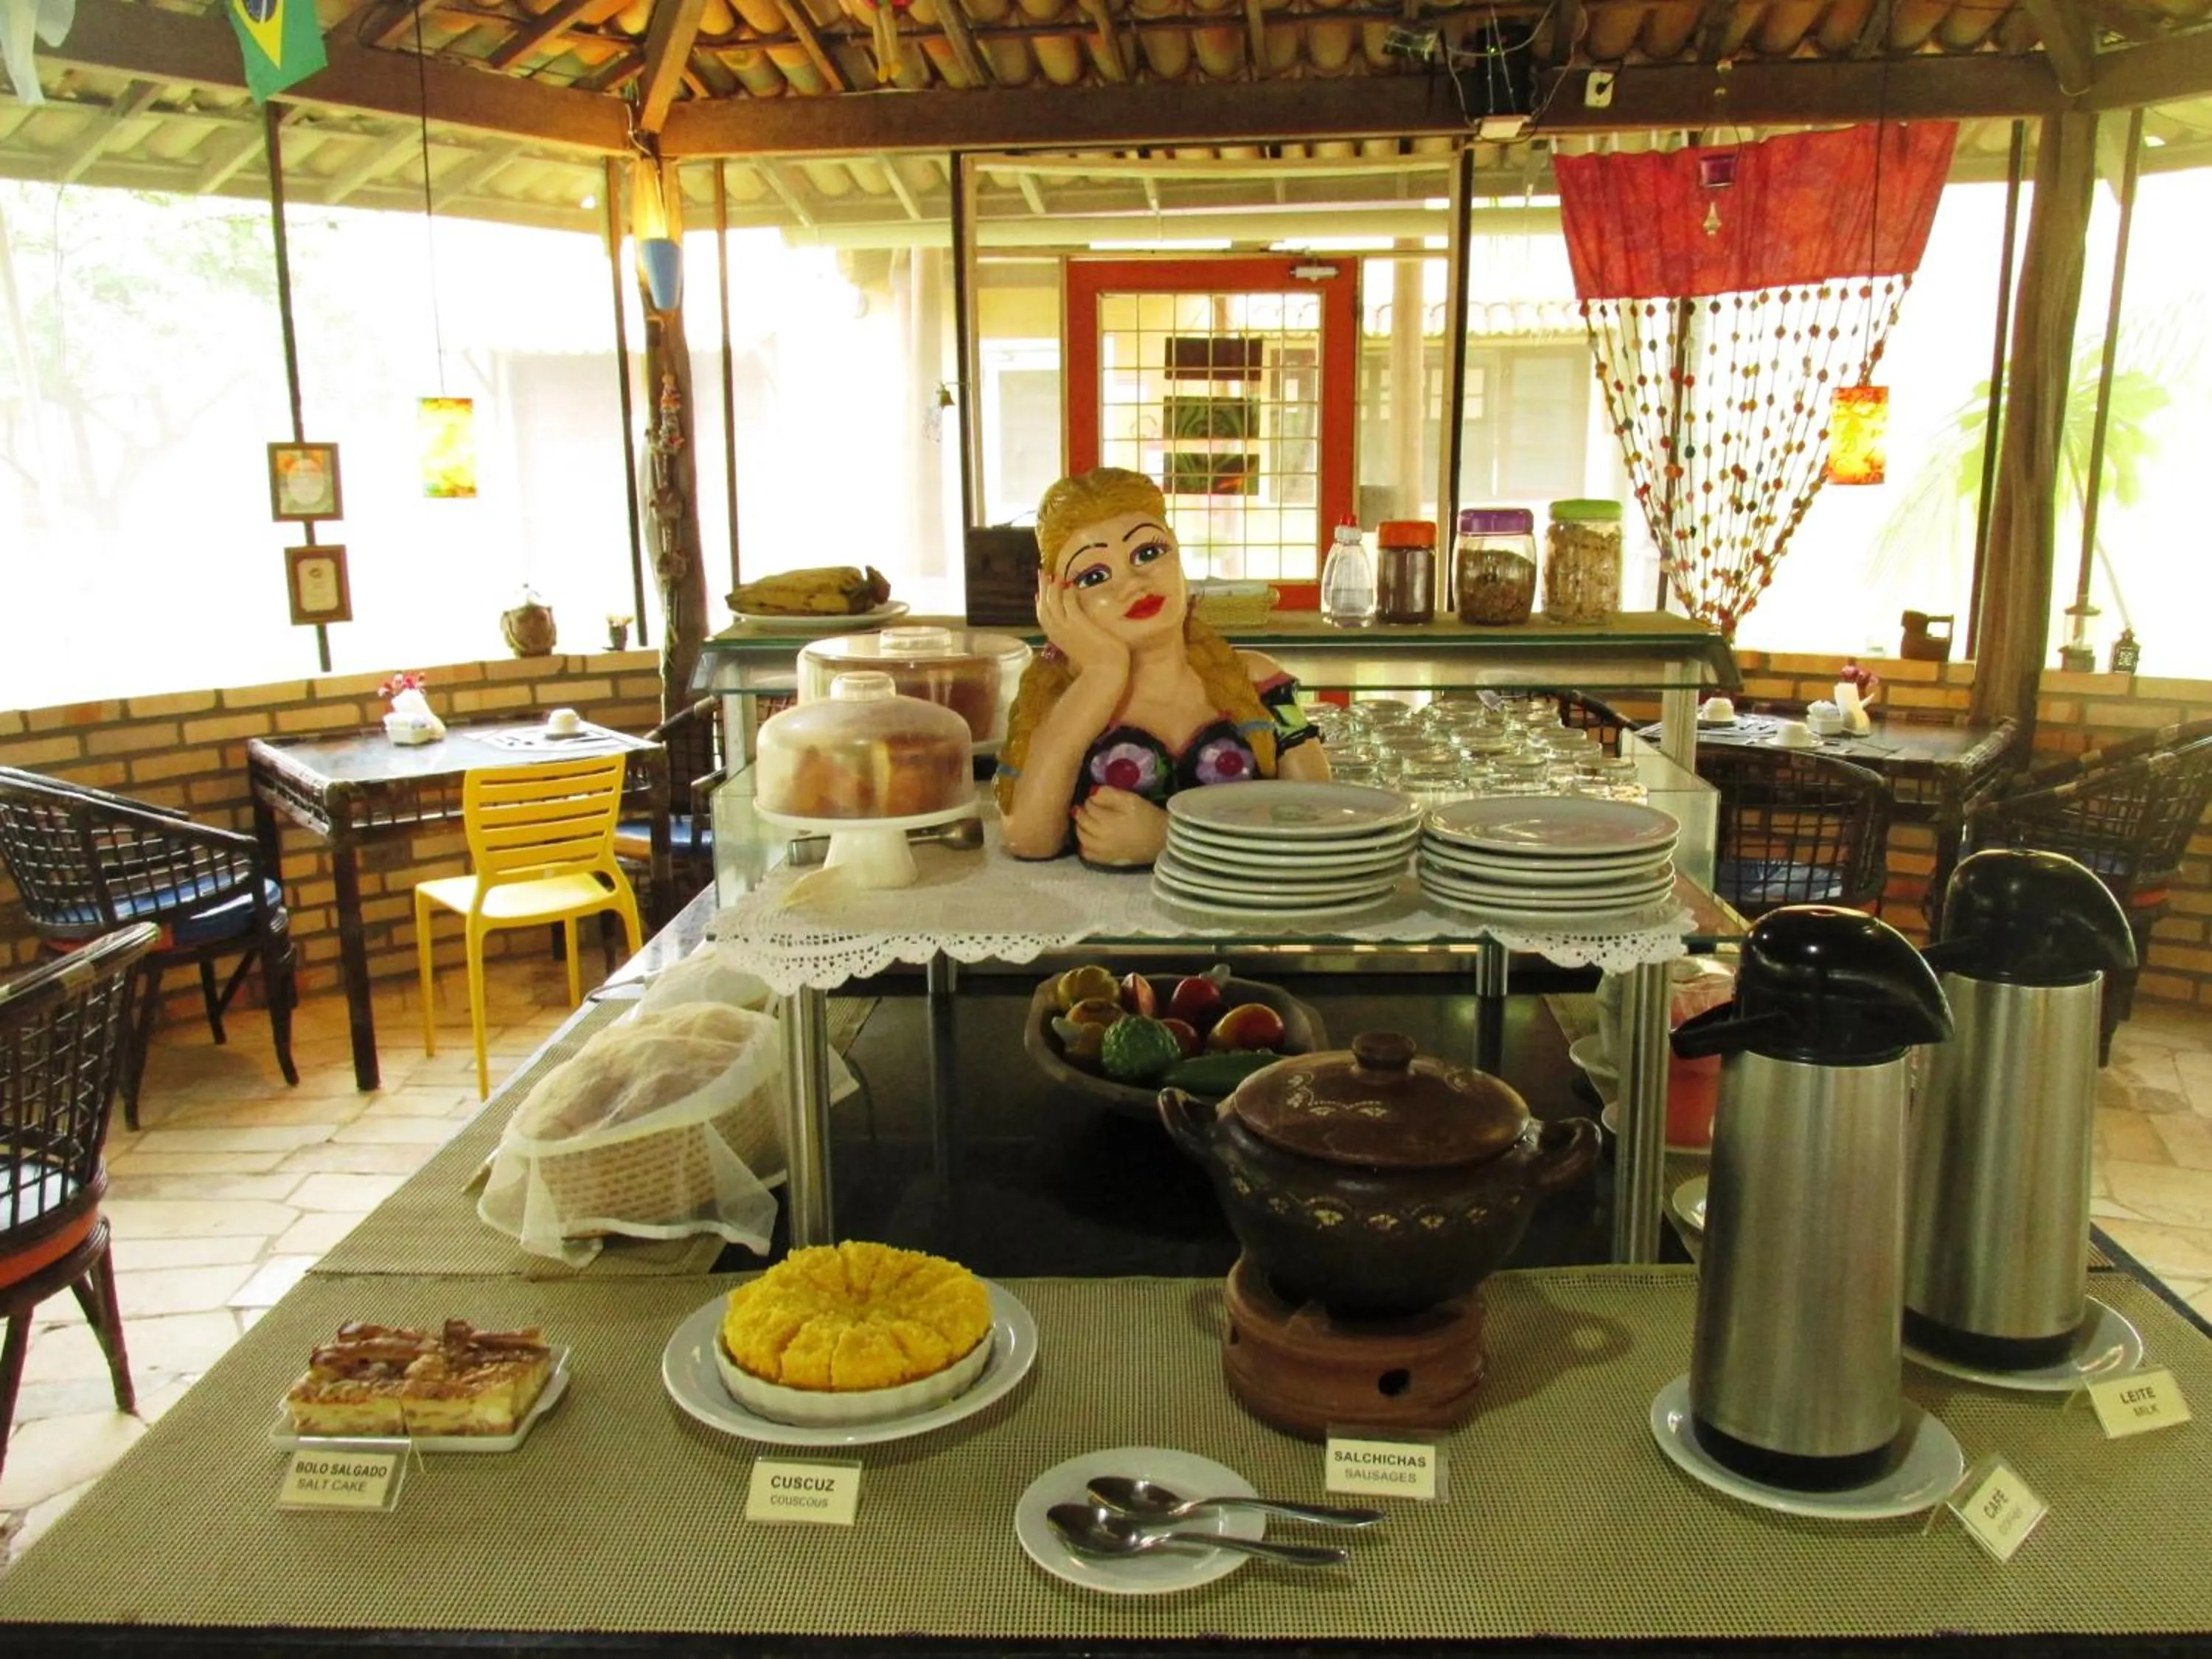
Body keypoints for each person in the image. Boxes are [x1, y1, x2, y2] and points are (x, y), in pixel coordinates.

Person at [995, 467, 1329, 866]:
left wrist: (1170, 838)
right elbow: (1030, 839)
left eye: (1148, 553)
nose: (1133, 583)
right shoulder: (1062, 701)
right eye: (1095, 575)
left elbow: (1317, 811)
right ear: (1058, 602)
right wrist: (1103, 674)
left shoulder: (1257, 682)